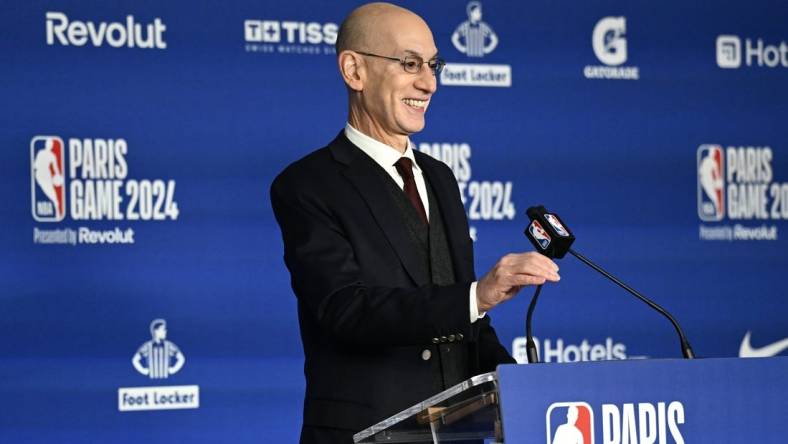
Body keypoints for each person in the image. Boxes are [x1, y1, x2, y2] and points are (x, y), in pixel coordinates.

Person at [270, 3, 560, 442]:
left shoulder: (440, 178)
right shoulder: (308, 184)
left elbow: (466, 316)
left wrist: (527, 392)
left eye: (434, 65)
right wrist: (476, 295)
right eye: (409, 64)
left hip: (458, 432)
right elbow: (345, 310)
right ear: (354, 71)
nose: (429, 83)